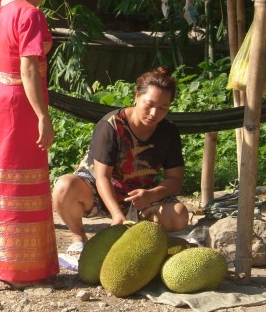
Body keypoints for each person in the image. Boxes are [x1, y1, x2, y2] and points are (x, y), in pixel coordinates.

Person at [0, 0, 59, 291]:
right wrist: (43, 116)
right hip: (20, 106)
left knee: (0, 183)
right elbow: (28, 70)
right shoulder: (30, 14)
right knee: (21, 185)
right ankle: (19, 269)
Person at [52, 67, 190, 256]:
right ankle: (79, 237)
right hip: (98, 191)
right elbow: (102, 177)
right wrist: (116, 213)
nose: (154, 113)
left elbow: (175, 180)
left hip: (139, 198)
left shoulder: (169, 131)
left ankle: (136, 232)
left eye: (163, 108)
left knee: (179, 215)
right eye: (149, 105)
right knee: (63, 187)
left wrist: (151, 195)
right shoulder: (111, 125)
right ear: (136, 97)